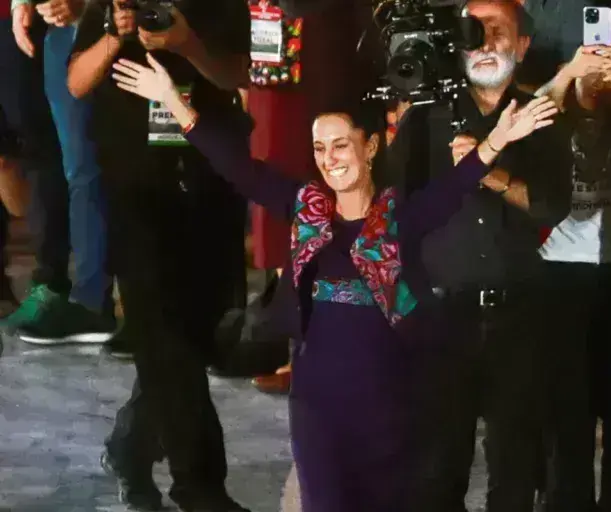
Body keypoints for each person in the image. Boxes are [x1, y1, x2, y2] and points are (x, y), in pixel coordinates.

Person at [110, 48, 558, 510]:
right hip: (318, 411)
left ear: (370, 147)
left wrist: (499, 138)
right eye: (320, 148)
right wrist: (172, 100)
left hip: (390, 410)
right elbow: (238, 167)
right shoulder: (307, 208)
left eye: (340, 144)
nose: (329, 158)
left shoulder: (399, 218)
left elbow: (454, 185)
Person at [387, 0, 572, 509]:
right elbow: (394, 214)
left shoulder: (541, 116)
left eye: (499, 29)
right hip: (441, 317)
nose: (486, 41)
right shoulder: (423, 117)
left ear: (523, 45)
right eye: (475, 29)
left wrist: (485, 170)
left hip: (520, 316)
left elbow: (551, 205)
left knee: (515, 468)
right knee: (436, 468)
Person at [67, 0, 250, 510]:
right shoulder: (113, 5)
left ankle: (131, 444)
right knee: (165, 336)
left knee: (197, 335)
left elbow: (238, 73)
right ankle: (200, 486)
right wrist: (114, 35)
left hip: (210, 181)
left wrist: (185, 44)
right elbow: (76, 82)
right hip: (136, 190)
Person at [532, 36, 611, 511]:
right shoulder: (554, 114)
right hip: (560, 273)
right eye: (585, 65)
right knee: (566, 408)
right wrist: (568, 74)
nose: (596, 73)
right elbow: (531, 115)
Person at [8, 0, 113, 343]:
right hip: (60, 32)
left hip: (117, 30)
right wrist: (21, 3)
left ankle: (100, 302)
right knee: (78, 172)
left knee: (109, 169)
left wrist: (85, 5)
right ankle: (90, 302)